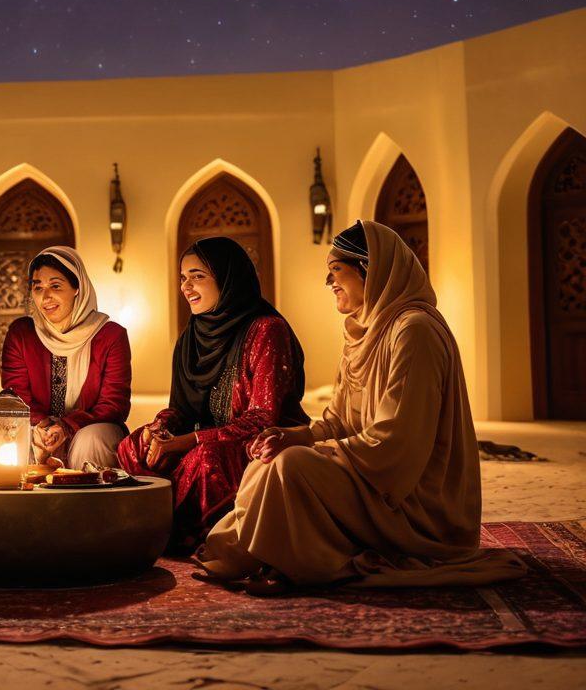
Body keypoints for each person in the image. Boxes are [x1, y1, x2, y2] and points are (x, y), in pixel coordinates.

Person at [195, 221, 527, 590]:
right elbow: (339, 420)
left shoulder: (414, 331)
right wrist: (295, 435)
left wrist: (314, 451)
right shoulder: (363, 331)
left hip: (412, 497)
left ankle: (291, 563)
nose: (329, 282)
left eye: (336, 270)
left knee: (293, 466)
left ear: (371, 269)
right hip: (372, 469)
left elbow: (397, 441)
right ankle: (248, 555)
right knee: (269, 456)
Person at [117, 237, 307, 550]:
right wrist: (161, 428)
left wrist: (188, 441)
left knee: (205, 459)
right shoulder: (190, 337)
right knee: (134, 445)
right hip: (205, 438)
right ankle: (150, 528)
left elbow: (263, 418)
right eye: (183, 277)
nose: (186, 287)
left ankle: (195, 539)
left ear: (227, 278)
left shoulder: (266, 329)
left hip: (260, 442)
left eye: (198, 276)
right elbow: (181, 409)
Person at [0, 246, 131, 467]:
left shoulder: (111, 336)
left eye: (55, 286)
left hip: (93, 427)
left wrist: (67, 426)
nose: (45, 297)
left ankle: (85, 491)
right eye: (37, 287)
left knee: (90, 440)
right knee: (17, 440)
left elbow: (113, 404)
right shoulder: (21, 333)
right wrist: (44, 427)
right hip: (39, 426)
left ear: (77, 287)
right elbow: (16, 395)